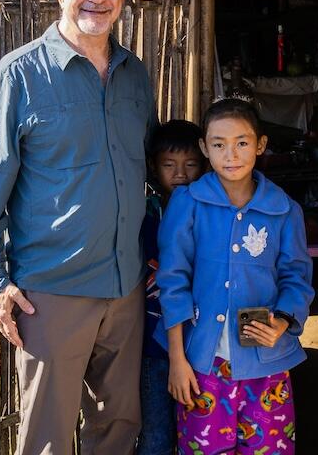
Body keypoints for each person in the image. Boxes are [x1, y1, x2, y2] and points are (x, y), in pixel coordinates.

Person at [0, 0, 156, 455]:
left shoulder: (135, 76)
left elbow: (146, 177)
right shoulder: (19, 76)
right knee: (47, 440)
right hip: (52, 294)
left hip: (125, 288)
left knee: (117, 427)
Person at [156, 98, 314, 455]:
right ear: (204, 148)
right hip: (202, 365)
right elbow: (173, 282)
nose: (231, 154)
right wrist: (178, 361)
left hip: (267, 363)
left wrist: (284, 321)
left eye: (242, 142)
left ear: (260, 145)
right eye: (218, 144)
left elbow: (297, 276)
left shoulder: (284, 210)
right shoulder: (189, 203)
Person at [138, 120, 206, 455]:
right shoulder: (143, 216)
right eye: (169, 165)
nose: (180, 174)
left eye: (190, 165)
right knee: (156, 431)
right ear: (153, 167)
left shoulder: (208, 213)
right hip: (152, 345)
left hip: (198, 345)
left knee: (197, 429)